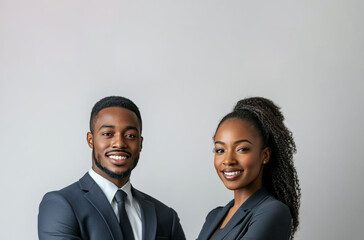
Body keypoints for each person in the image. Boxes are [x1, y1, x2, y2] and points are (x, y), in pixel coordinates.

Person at [38, 96, 186, 240]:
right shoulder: (61, 205)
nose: (119, 143)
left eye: (130, 135)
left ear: (140, 143)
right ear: (91, 140)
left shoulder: (165, 215)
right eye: (108, 134)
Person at [197, 97, 301, 240]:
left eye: (242, 149)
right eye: (220, 150)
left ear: (265, 155)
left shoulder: (273, 211)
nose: (228, 160)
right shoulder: (213, 217)